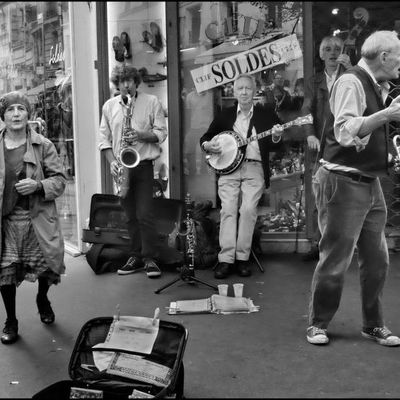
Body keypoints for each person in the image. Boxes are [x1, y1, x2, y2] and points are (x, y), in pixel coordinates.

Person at [307, 30, 400, 347]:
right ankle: (318, 323)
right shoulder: (350, 81)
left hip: (368, 182)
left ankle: (373, 324)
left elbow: (366, 134)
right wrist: (387, 114)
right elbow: (346, 131)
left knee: (377, 260)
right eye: (398, 55)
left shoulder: (375, 85)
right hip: (341, 182)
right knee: (335, 259)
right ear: (384, 56)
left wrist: (387, 152)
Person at [200, 74, 283, 279]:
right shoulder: (225, 115)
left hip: (254, 168)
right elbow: (206, 137)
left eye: (248, 88)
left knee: (247, 210)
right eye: (240, 89)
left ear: (254, 92)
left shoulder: (266, 114)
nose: (244, 92)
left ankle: (242, 258)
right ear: (235, 92)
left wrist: (276, 135)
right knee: (228, 209)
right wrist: (207, 146)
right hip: (228, 170)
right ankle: (226, 259)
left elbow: (277, 146)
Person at [0, 91, 66, 344]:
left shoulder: (43, 145)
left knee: (46, 267)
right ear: (3, 115)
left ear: (28, 114)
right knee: (4, 271)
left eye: (21, 108)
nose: (16, 114)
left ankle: (42, 297)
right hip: (5, 223)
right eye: (10, 109)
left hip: (36, 218)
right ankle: (11, 320)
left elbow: (60, 181)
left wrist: (38, 186)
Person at [98, 65, 167, 278]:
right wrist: (112, 162)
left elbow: (161, 133)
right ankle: (135, 256)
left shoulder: (151, 102)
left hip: (144, 165)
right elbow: (103, 139)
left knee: (145, 214)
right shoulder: (109, 106)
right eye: (122, 81)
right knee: (130, 217)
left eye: (129, 80)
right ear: (117, 84)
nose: (126, 85)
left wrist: (139, 135)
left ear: (136, 82)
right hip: (122, 167)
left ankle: (150, 258)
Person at [301, 35, 352, 261]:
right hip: (321, 147)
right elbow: (305, 111)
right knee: (318, 194)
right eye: (328, 49)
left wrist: (352, 71)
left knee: (345, 196)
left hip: (345, 146)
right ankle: (318, 243)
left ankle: (343, 243)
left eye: (337, 48)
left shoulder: (351, 76)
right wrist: (310, 134)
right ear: (321, 54)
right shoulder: (313, 81)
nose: (333, 52)